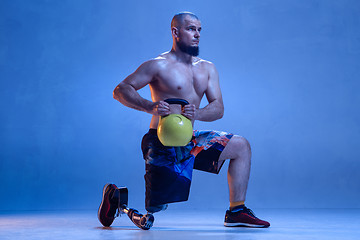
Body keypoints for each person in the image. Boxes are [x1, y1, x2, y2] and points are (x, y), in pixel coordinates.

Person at [98, 11, 270, 228]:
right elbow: (120, 90)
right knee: (154, 209)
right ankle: (114, 198)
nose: (197, 34)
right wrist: (149, 106)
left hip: (191, 141)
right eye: (191, 29)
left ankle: (236, 211)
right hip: (161, 142)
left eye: (199, 29)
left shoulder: (208, 68)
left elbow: (218, 108)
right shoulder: (157, 65)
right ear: (175, 32)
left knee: (241, 145)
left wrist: (198, 113)